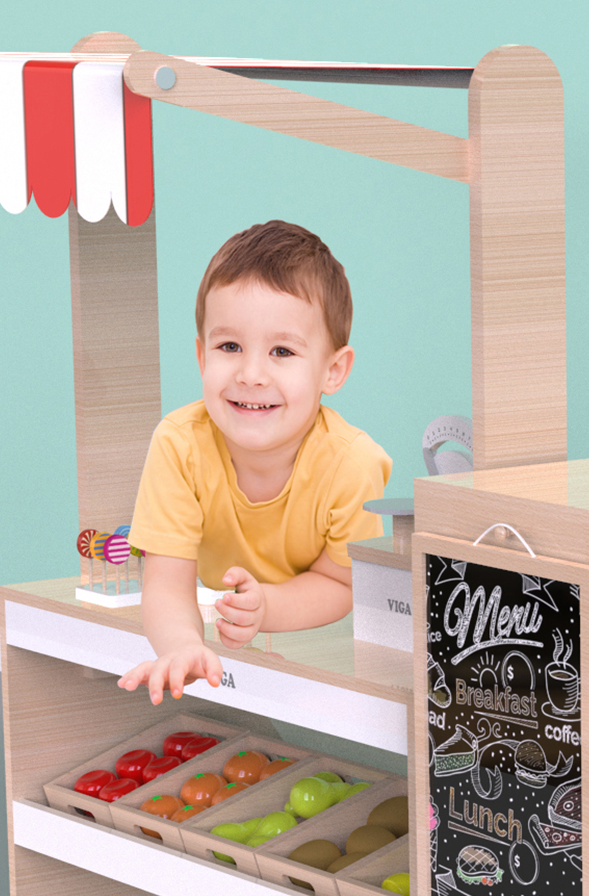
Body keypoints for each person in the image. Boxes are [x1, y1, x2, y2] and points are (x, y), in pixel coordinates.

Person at [119, 221, 391, 702]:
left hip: (305, 632)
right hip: (209, 606)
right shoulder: (179, 445)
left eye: (282, 351)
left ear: (333, 370)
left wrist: (270, 609)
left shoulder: (353, 464)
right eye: (229, 347)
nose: (250, 374)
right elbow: (165, 581)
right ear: (202, 356)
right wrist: (183, 645)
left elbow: (343, 584)